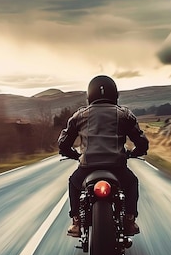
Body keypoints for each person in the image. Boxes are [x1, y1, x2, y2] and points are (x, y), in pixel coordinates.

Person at [58, 75, 149, 238]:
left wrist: (73, 154)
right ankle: (129, 221)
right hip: (117, 167)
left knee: (73, 183)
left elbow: (63, 143)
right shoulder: (124, 115)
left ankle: (77, 222)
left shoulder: (79, 115)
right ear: (115, 94)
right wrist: (136, 152)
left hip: (87, 167)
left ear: (89, 95)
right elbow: (141, 141)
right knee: (132, 182)